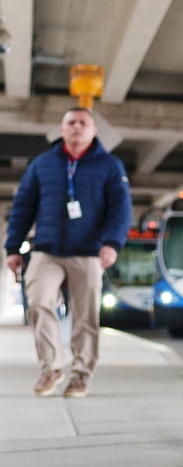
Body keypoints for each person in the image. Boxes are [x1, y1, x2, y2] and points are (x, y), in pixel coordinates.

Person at [5, 107, 131, 398]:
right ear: (62, 130)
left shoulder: (110, 166)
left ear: (93, 130)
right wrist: (13, 247)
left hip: (89, 253)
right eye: (71, 122)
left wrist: (112, 244)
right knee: (37, 303)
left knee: (85, 316)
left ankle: (80, 376)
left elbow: (121, 210)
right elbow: (23, 207)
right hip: (46, 250)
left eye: (83, 123)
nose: (77, 127)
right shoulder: (42, 164)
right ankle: (52, 368)